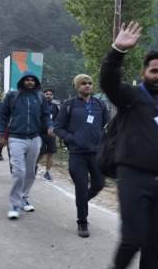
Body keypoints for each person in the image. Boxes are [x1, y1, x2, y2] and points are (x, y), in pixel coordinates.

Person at [101, 22, 158, 269]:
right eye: (154, 71)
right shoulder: (130, 96)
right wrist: (117, 51)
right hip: (132, 177)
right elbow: (108, 82)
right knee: (133, 238)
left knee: (156, 243)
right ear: (145, 72)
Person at [54, 74, 109, 237]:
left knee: (99, 184)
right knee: (81, 187)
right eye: (83, 83)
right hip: (77, 154)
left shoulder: (100, 104)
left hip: (96, 153)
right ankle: (82, 222)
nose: (87, 86)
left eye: (90, 83)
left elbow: (107, 125)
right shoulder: (69, 105)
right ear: (77, 86)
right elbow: (58, 127)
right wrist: (72, 139)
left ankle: (82, 201)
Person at [0, 73, 55, 219]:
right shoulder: (13, 96)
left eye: (32, 80)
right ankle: (14, 204)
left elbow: (46, 115)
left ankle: (24, 197)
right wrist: (0, 134)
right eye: (27, 80)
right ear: (22, 81)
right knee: (19, 171)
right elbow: (3, 116)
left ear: (36, 83)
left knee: (30, 172)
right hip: (16, 138)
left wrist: (50, 126)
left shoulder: (40, 97)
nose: (30, 82)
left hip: (35, 138)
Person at [38, 88, 60, 181]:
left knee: (51, 153)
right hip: (40, 133)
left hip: (51, 134)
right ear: (43, 95)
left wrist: (56, 130)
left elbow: (58, 120)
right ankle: (34, 166)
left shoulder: (55, 107)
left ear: (53, 96)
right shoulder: (39, 105)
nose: (48, 96)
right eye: (46, 94)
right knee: (40, 153)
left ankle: (47, 172)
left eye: (50, 94)